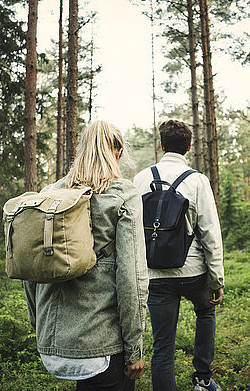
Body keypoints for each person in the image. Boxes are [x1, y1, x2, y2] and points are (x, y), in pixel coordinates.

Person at [24, 121, 149, 390]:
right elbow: (132, 279)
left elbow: (30, 269)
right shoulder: (123, 195)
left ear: (82, 150)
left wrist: (39, 325)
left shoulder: (50, 194)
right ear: (117, 152)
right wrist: (134, 347)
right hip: (101, 346)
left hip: (52, 344)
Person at [133, 119, 225, 391]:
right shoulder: (197, 181)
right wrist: (216, 280)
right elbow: (210, 233)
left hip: (155, 275)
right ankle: (202, 379)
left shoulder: (141, 178)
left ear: (161, 145)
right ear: (188, 147)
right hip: (193, 272)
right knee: (206, 312)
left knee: (163, 344)